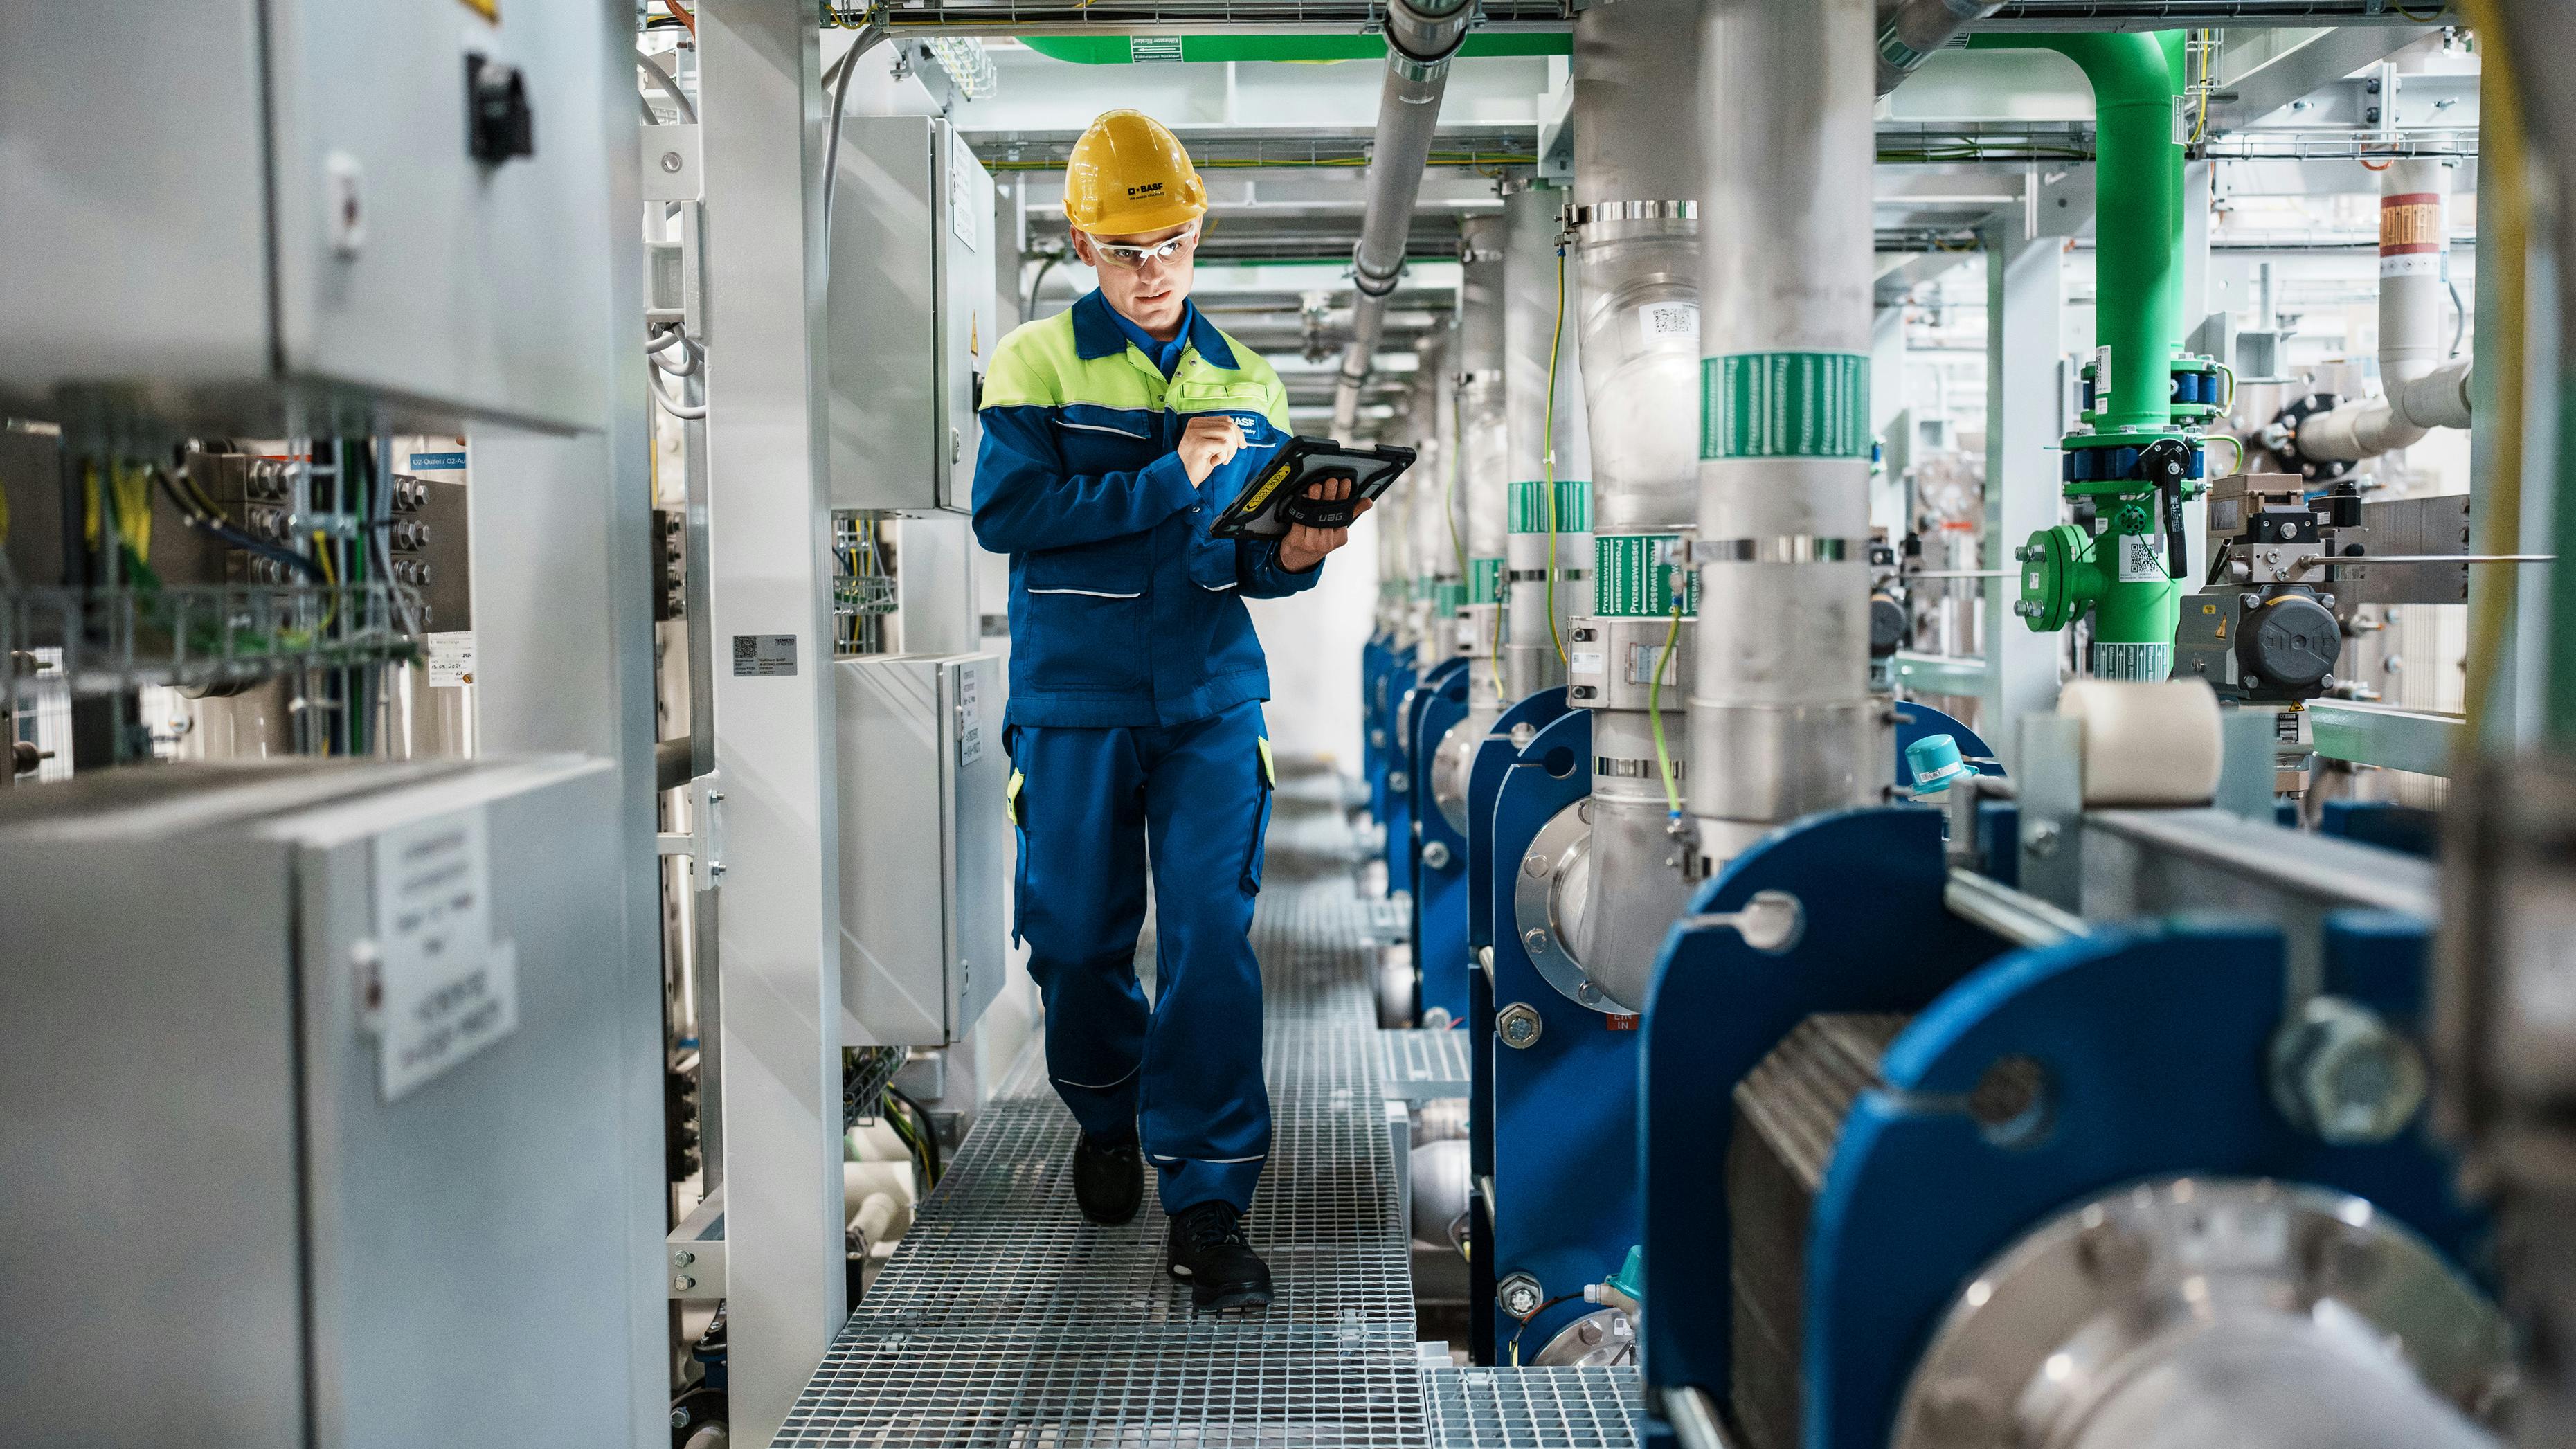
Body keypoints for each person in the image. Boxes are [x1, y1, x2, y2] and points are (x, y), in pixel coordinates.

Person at [971, 110, 1365, 1311]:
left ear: (1198, 236)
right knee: (1078, 943)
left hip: (1205, 699)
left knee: (1208, 940)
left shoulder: (1245, 380)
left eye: (1173, 243)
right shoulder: (1034, 362)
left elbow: (1249, 564)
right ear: (1083, 241)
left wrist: (1298, 549)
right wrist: (1165, 470)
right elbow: (1009, 517)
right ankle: (1103, 1109)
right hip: (1075, 700)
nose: (1153, 270)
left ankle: (1207, 1200)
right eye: (1128, 246)